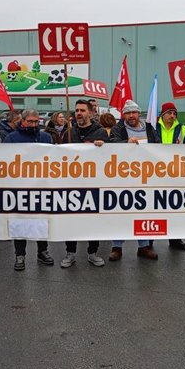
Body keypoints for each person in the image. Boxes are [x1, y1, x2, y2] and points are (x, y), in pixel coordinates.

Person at [4, 109, 56, 270]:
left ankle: (43, 251)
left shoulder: (46, 137)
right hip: (19, 188)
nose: (34, 124)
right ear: (23, 121)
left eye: (36, 121)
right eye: (30, 121)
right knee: (20, 221)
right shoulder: (11, 138)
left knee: (41, 220)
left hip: (41, 187)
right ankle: (20, 255)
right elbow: (3, 160)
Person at [108, 100, 159, 261]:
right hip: (123, 176)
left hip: (146, 176)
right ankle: (117, 247)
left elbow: (157, 145)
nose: (131, 116)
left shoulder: (149, 128)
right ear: (124, 115)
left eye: (134, 112)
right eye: (128, 113)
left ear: (139, 113)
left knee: (143, 211)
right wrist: (125, 143)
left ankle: (143, 246)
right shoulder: (119, 128)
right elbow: (112, 144)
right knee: (120, 211)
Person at [60, 99, 107, 268]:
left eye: (82, 110)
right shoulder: (69, 133)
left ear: (90, 113)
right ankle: (70, 252)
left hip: (93, 183)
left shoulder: (100, 132)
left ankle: (92, 252)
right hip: (71, 183)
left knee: (93, 220)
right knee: (71, 220)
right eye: (77, 110)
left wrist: (103, 146)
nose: (79, 113)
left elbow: (108, 158)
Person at [155, 102, 185, 250]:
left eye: (174, 113)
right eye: (169, 112)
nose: (172, 115)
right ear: (163, 114)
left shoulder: (183, 129)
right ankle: (150, 241)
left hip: (176, 173)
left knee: (175, 207)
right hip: (155, 173)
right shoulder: (153, 128)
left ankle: (175, 239)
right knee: (154, 208)